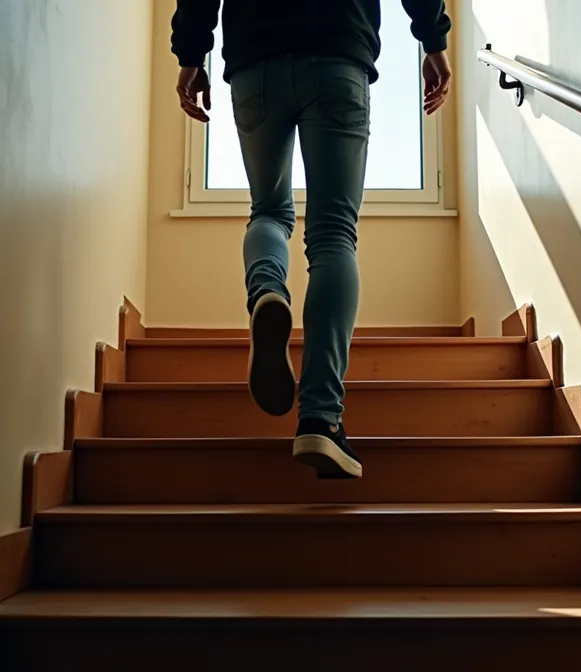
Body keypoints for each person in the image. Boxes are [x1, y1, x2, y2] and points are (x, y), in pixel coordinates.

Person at [171, 0, 452, 479]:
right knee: (334, 236)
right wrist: (432, 39)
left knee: (268, 211)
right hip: (338, 51)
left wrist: (192, 55)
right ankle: (321, 417)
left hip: (255, 63)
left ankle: (266, 292)